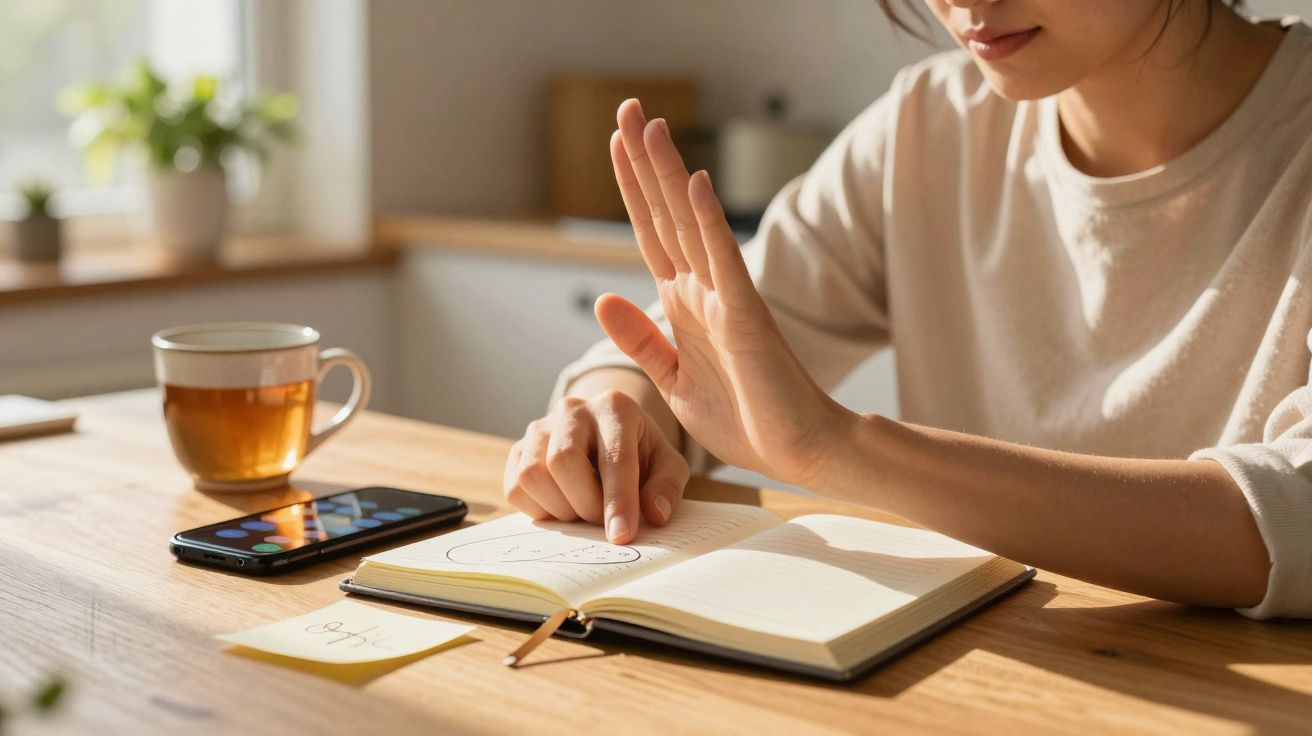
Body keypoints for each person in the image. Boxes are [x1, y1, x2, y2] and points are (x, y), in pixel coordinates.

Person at [503, 0, 1312, 619]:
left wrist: (840, 449)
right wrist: (617, 408)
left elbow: (1293, 516)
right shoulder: (931, 124)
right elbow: (707, 343)